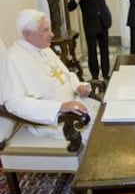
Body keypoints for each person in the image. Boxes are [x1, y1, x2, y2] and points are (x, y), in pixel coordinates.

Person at [0, 9, 99, 138]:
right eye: (45, 30)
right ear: (27, 33)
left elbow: (65, 75)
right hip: (54, 121)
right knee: (103, 137)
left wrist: (78, 86)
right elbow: (15, 103)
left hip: (76, 104)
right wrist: (60, 107)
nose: (52, 34)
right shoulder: (13, 58)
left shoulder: (44, 48)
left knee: (112, 119)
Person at [68, 0, 118, 80]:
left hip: (103, 22)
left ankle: (105, 73)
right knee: (92, 50)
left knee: (104, 49)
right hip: (90, 25)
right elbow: (70, 7)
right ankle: (94, 75)